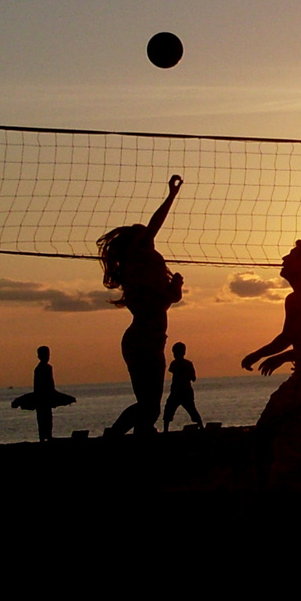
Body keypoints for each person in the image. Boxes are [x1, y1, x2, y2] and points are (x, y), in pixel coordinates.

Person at [242, 240, 301, 481]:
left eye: (291, 256)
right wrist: (262, 354)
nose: (284, 259)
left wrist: (278, 356)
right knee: (280, 436)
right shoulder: (294, 299)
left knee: (277, 435)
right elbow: (288, 336)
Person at [97, 174, 184, 435]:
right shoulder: (137, 260)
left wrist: (175, 289)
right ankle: (113, 436)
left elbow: (163, 303)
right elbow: (154, 224)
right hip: (142, 342)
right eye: (145, 237)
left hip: (153, 341)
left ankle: (137, 444)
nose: (150, 238)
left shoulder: (147, 272)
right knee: (148, 406)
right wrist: (171, 196)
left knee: (151, 409)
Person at [9, 345, 76, 441]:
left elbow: (51, 385)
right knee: (42, 419)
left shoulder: (48, 368)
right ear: (39, 356)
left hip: (47, 396)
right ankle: (44, 438)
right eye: (45, 355)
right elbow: (39, 387)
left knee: (48, 419)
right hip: (42, 397)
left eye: (48, 355)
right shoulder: (39, 369)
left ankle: (47, 437)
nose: (47, 357)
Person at [163, 341, 202, 431]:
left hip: (180, 392)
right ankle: (201, 427)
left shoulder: (176, 364)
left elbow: (192, 377)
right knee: (189, 410)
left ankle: (165, 430)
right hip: (183, 391)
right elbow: (193, 378)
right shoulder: (186, 364)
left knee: (170, 410)